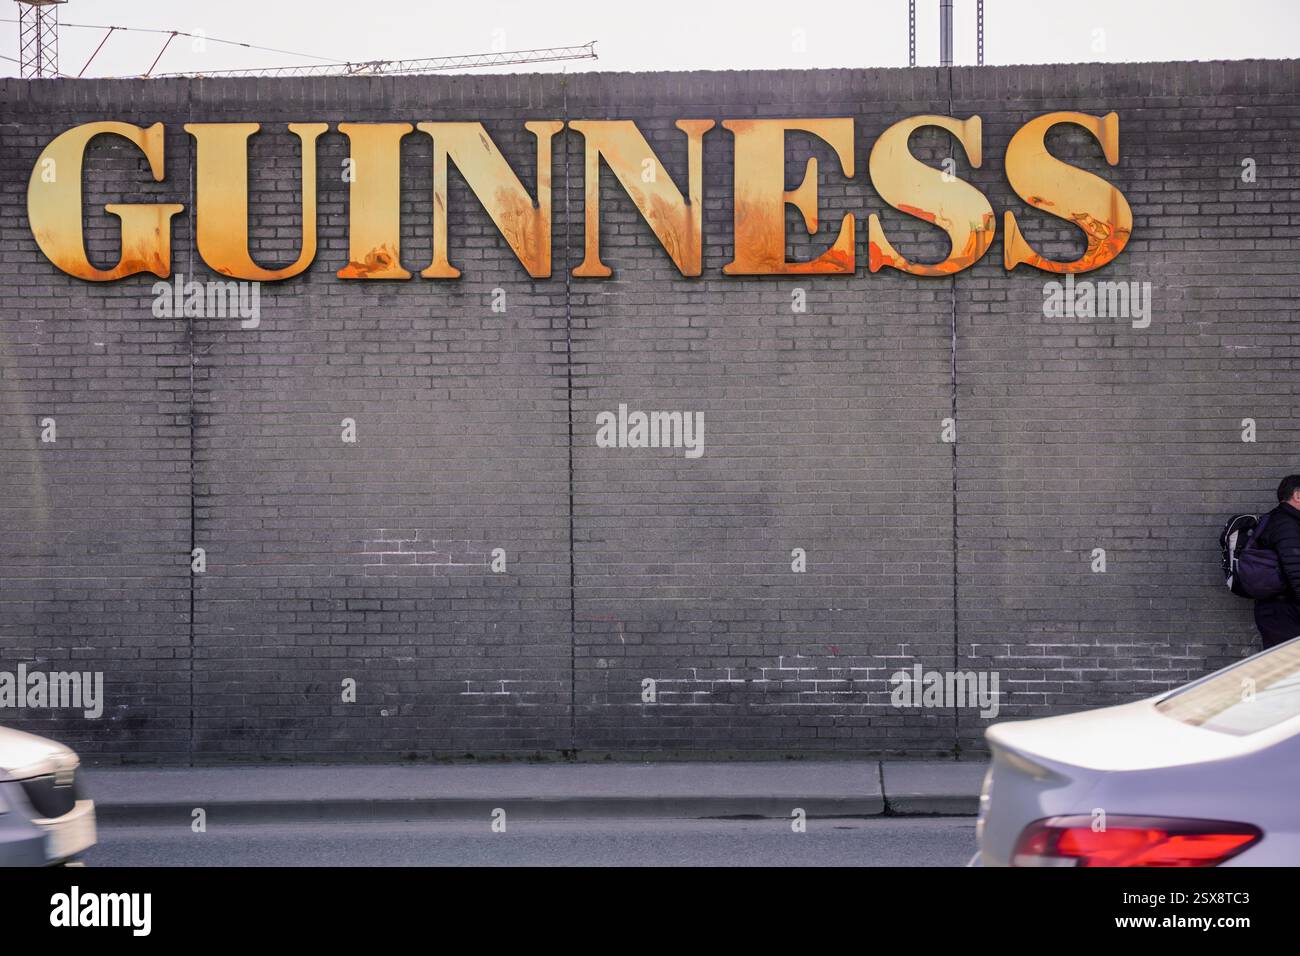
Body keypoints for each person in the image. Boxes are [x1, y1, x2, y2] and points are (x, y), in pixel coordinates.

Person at [1253, 474, 1300, 648]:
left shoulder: (1278, 518)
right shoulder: (1286, 525)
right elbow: (1295, 569)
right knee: (1286, 670)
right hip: (1282, 612)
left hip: (1277, 610)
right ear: (1297, 495)